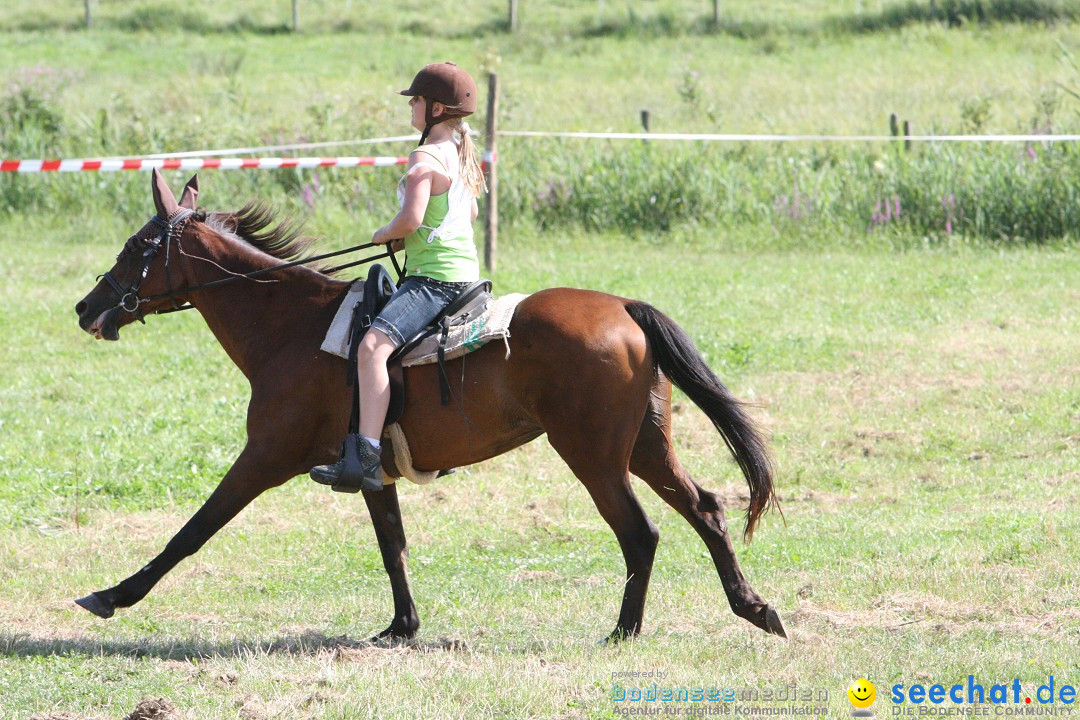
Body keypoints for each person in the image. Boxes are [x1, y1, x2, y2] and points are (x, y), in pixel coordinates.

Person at [309, 62, 487, 492]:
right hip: (466, 277)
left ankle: (367, 455)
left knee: (372, 348)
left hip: (434, 281)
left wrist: (383, 234)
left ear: (437, 109)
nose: (412, 104)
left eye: (418, 99)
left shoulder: (424, 157)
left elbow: (410, 219)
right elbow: (469, 214)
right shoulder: (461, 154)